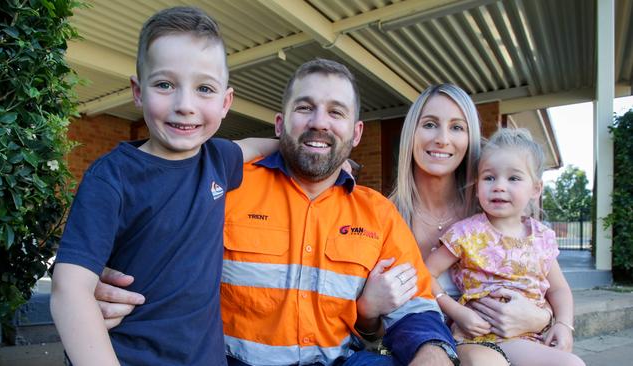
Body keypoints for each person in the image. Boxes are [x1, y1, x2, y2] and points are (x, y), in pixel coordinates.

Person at [94, 59, 458, 365]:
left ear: (356, 132)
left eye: (336, 112)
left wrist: (433, 354)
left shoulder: (377, 213)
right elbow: (154, 244)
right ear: (280, 124)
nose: (319, 122)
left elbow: (416, 310)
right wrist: (105, 279)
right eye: (304, 108)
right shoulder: (226, 187)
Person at [50, 7, 276, 366]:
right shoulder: (112, 178)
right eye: (165, 85)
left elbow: (252, 147)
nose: (184, 105)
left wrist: (300, 148)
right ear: (138, 92)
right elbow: (69, 291)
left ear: (225, 102)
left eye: (204, 88)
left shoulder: (218, 159)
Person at [368, 84, 554, 365]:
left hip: (508, 347)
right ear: (411, 134)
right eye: (430, 124)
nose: (443, 139)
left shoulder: (493, 211)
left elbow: (539, 280)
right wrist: (369, 311)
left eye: (457, 127)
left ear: (471, 139)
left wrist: (543, 318)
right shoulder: (384, 216)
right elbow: (371, 326)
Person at [426, 128, 584, 365]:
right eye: (489, 177)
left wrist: (564, 324)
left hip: (529, 338)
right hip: (476, 337)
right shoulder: (466, 232)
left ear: (535, 189)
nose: (499, 186)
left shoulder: (542, 238)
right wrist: (455, 311)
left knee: (572, 363)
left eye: (513, 178)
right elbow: (425, 272)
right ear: (477, 185)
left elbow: (559, 289)